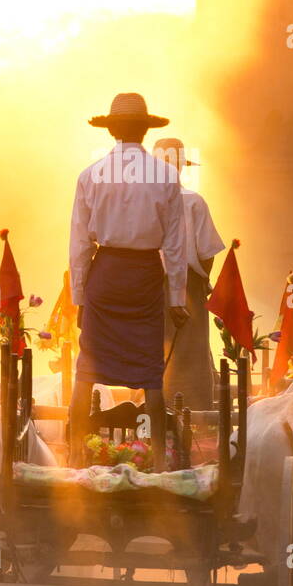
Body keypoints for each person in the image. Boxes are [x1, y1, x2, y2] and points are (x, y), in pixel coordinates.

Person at [68, 93, 189, 470]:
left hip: (105, 275)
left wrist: (79, 298)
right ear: (143, 129)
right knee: (150, 371)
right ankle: (157, 462)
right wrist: (176, 299)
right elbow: (175, 245)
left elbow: (79, 243)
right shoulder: (166, 176)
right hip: (144, 278)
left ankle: (73, 457)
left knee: (87, 368)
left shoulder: (91, 174)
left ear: (114, 131)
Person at [153, 137, 225, 410]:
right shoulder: (193, 201)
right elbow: (207, 252)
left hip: (151, 284)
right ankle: (194, 420)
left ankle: (150, 420)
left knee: (156, 353)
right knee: (189, 355)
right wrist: (201, 281)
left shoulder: (140, 202)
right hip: (187, 285)